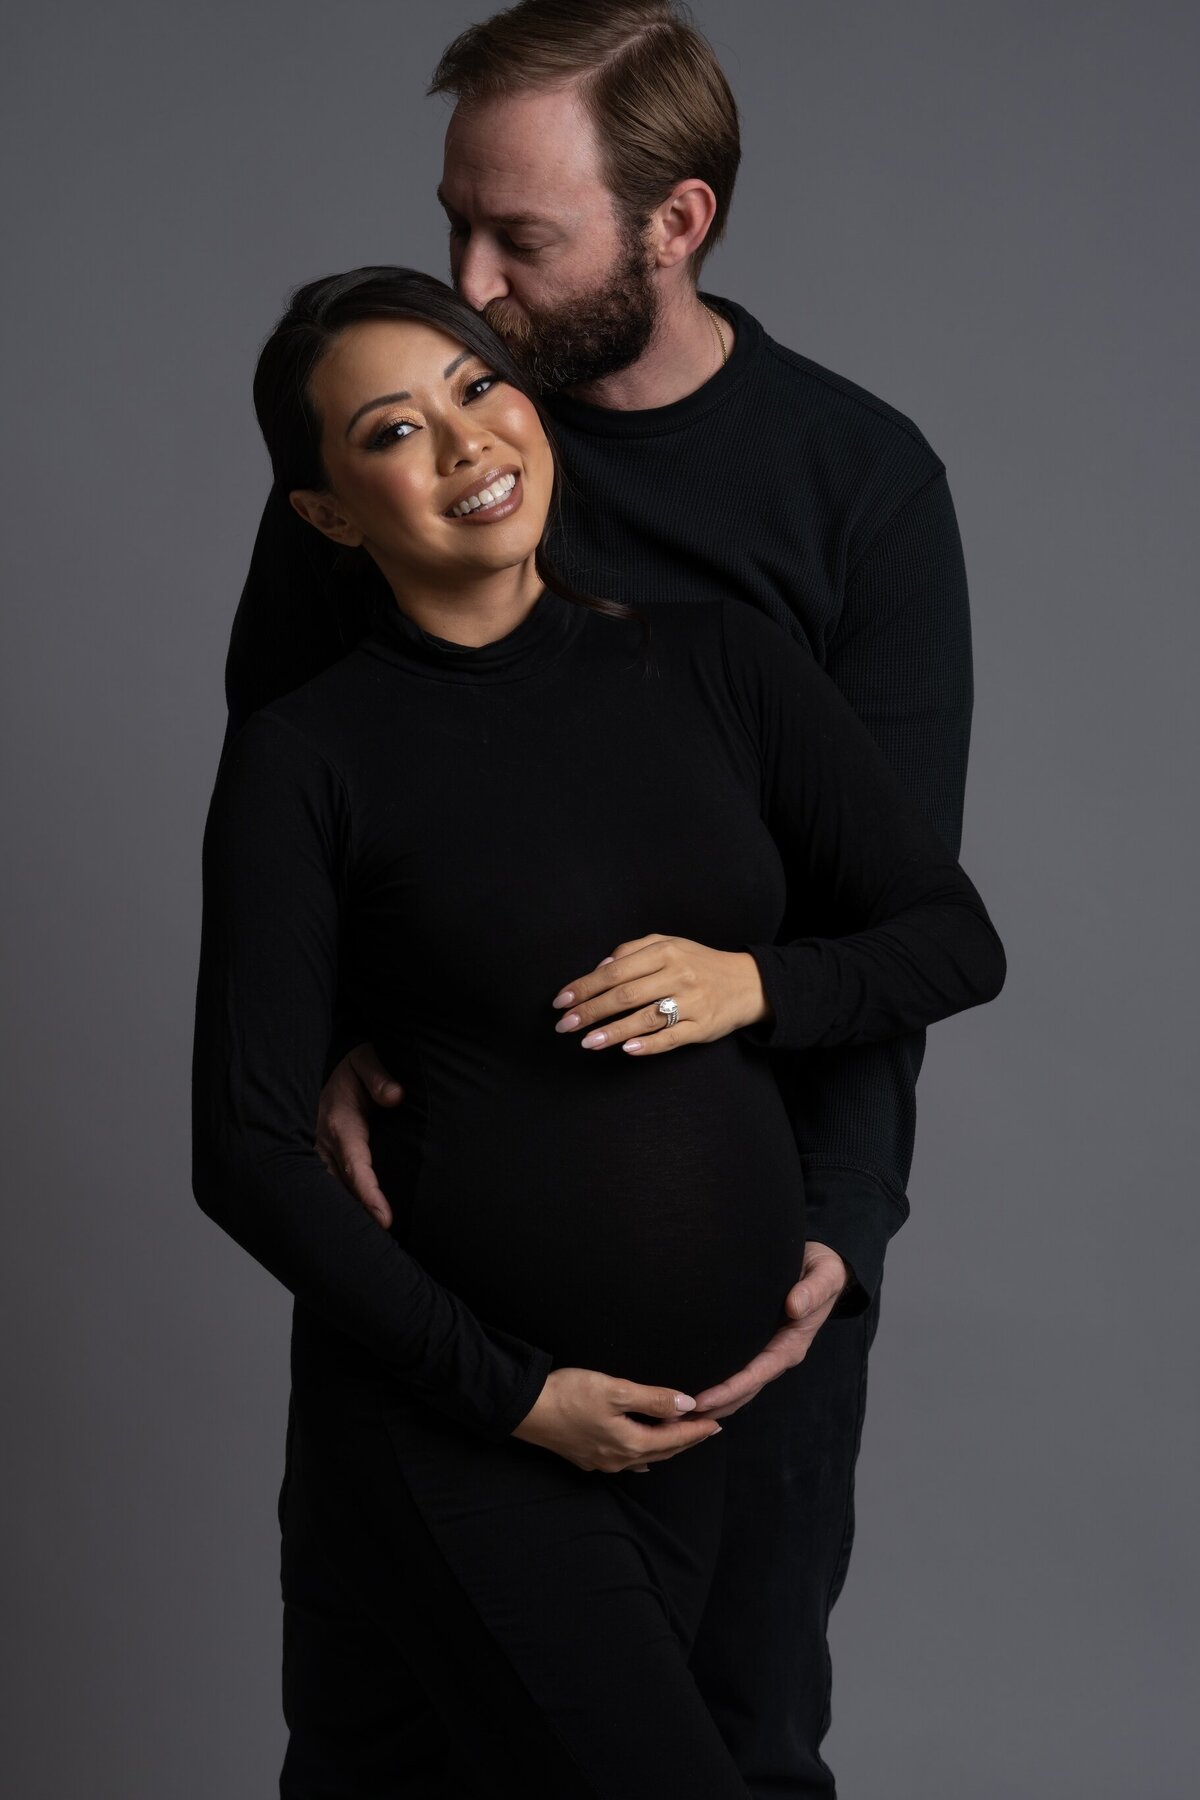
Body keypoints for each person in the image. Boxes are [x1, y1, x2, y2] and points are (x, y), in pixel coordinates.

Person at [222, 5, 981, 1792]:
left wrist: (839, 1231)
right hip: (443, 1318)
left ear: (676, 222)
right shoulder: (388, 440)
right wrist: (329, 1040)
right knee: (387, 1758)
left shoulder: (852, 489)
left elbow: (898, 919)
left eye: (523, 241)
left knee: (737, 1743)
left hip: (750, 1320)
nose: (471, 289)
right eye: (455, 224)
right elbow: (289, 820)